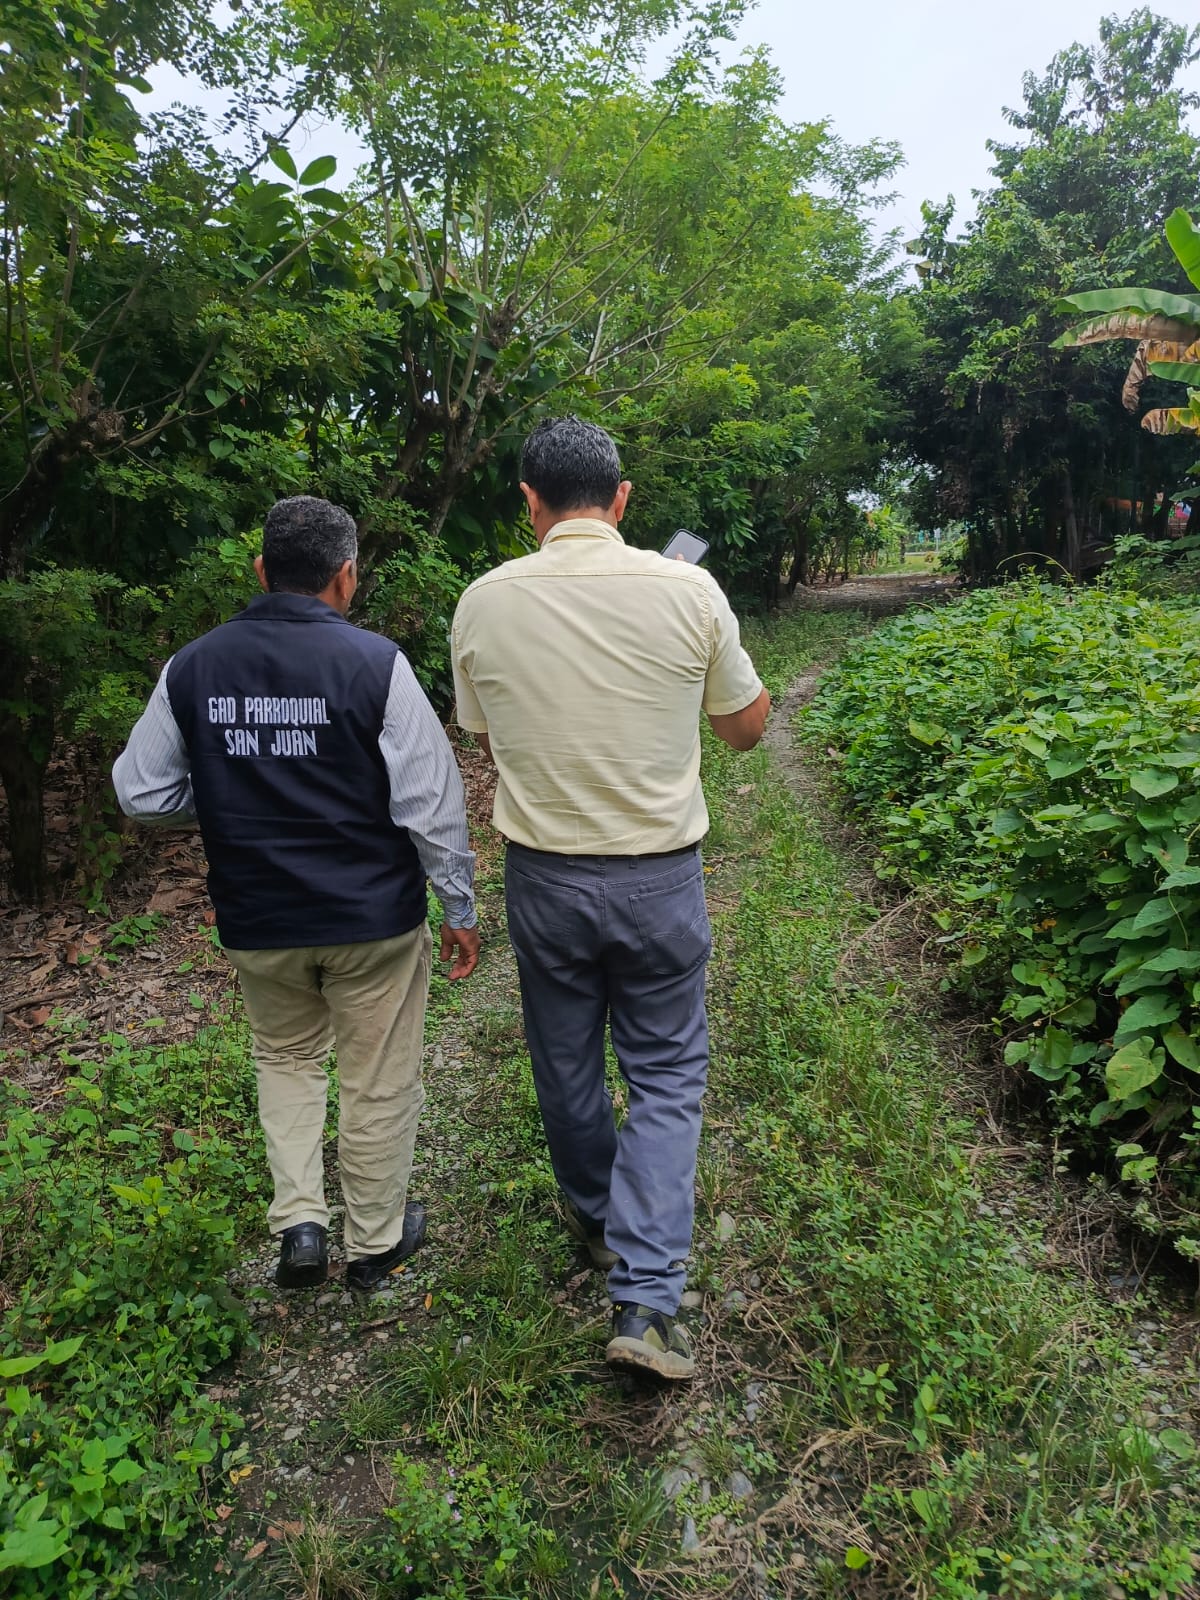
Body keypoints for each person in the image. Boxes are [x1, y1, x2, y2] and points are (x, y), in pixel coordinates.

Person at [450, 418, 769, 1380]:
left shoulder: (482, 601)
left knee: (565, 1062)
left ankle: (596, 1220)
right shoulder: (689, 590)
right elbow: (746, 729)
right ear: (622, 498)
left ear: (529, 501)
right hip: (659, 879)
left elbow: (485, 736)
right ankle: (647, 1302)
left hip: (544, 878)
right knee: (666, 1074)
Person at [114, 496, 479, 1292]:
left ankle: (302, 1225)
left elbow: (140, 792)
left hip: (259, 918)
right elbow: (431, 804)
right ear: (346, 577)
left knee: (284, 1060)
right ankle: (375, 1241)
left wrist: (227, 795)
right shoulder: (376, 665)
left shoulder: (193, 666)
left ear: (261, 571)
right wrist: (459, 907)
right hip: (372, 921)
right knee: (377, 1076)